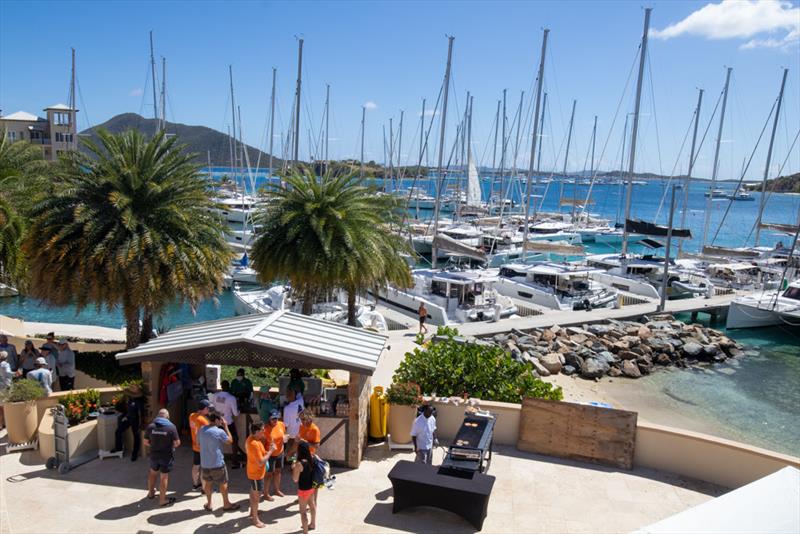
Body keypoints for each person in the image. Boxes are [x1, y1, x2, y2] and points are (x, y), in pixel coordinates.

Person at [198, 412, 239, 512]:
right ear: (216, 420)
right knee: (223, 483)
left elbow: (198, 442)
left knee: (208, 483)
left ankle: (209, 504)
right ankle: (226, 504)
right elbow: (230, 441)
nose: (221, 421)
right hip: (217, 463)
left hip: (205, 463)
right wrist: (226, 427)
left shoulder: (201, 430)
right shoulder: (219, 431)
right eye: (220, 419)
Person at [144, 408, 180, 507]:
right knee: (164, 477)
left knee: (152, 473)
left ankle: (151, 493)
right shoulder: (171, 427)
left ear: (158, 416)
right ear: (167, 417)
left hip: (154, 455)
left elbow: (145, 442)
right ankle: (162, 500)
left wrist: (154, 445)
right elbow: (177, 443)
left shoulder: (151, 426)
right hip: (166, 456)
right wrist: (170, 446)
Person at [246, 422, 276, 528]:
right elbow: (261, 462)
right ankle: (255, 519)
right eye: (262, 430)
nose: (264, 431)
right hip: (256, 474)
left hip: (255, 472)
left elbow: (261, 454)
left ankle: (252, 512)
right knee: (256, 497)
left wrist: (268, 450)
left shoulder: (255, 439)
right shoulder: (253, 443)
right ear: (257, 432)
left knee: (253, 492)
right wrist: (271, 451)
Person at [112, 383, 146, 461]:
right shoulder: (129, 399)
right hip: (128, 419)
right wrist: (125, 416)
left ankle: (135, 453)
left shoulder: (139, 402)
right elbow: (126, 409)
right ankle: (118, 448)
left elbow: (141, 414)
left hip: (136, 420)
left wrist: (141, 424)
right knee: (118, 431)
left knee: (136, 436)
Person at [213, 380, 243, 468]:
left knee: (216, 441)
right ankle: (234, 462)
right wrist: (239, 409)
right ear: (228, 387)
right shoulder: (231, 398)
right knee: (234, 440)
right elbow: (236, 413)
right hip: (228, 423)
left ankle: (215, 461)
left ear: (221, 386)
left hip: (217, 422)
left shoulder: (215, 396)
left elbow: (213, 408)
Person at [291, 441, 317, 534]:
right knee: (312, 506)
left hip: (303, 490)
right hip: (311, 488)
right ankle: (313, 524)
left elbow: (295, 479)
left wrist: (294, 467)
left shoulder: (299, 464)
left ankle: (305, 532)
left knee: (303, 512)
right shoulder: (312, 459)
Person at [189, 399, 213, 490]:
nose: (209, 410)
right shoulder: (204, 420)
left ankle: (195, 485)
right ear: (205, 408)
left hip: (195, 446)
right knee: (204, 468)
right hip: (204, 447)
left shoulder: (191, 416)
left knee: (196, 466)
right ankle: (204, 489)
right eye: (208, 408)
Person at [263, 410, 286, 501]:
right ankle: (266, 493)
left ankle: (276, 490)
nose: (275, 420)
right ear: (269, 419)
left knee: (278, 472)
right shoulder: (265, 429)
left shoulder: (281, 424)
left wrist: (284, 440)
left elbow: (282, 436)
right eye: (273, 418)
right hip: (270, 455)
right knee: (268, 475)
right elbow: (262, 442)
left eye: (276, 418)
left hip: (280, 453)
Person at [283, 389, 303, 460]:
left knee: (290, 453)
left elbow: (286, 424)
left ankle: (293, 465)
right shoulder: (301, 400)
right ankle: (295, 464)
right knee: (297, 451)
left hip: (291, 433)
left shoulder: (287, 408)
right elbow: (300, 393)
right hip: (300, 431)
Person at [0, 351, 13, 430]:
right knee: (5, 406)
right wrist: (16, 373)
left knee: (0, 407)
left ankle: (1, 424)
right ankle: (6, 423)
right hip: (5, 387)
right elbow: (8, 374)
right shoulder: (5, 364)